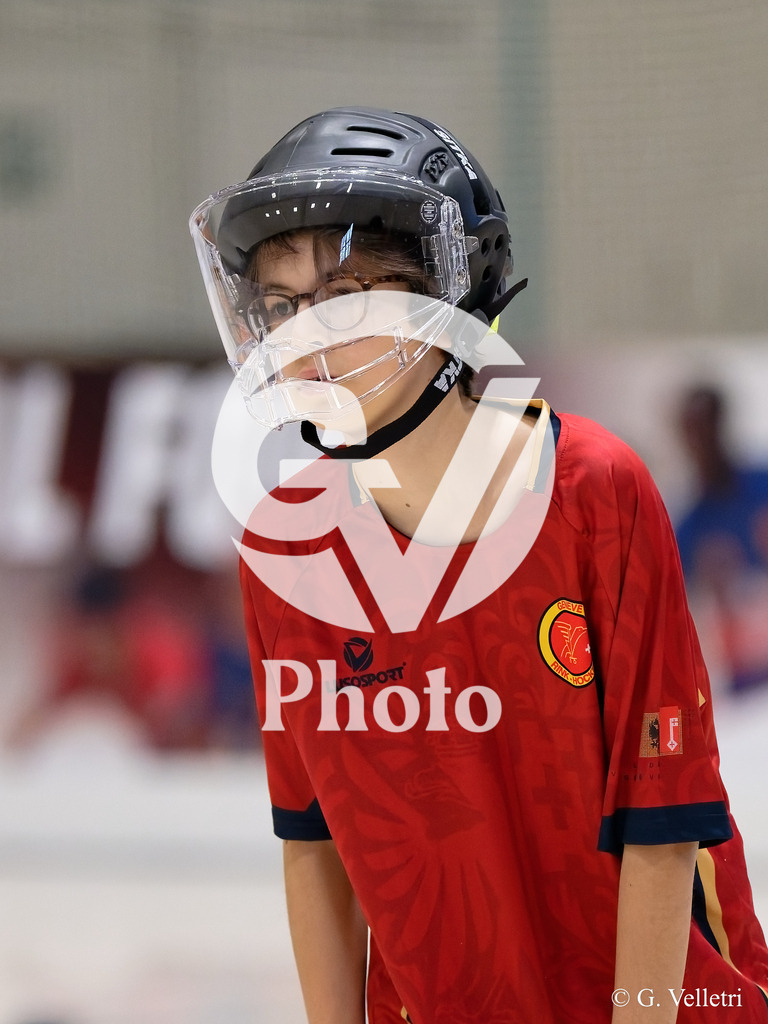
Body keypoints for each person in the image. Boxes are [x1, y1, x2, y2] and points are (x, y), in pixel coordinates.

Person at [190, 107, 768, 1023]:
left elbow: (662, 826)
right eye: (282, 307)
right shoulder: (281, 552)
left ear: (450, 303)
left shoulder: (595, 492)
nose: (307, 339)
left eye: (346, 297)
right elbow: (316, 844)